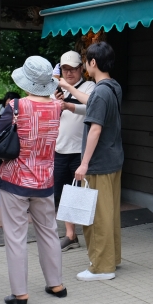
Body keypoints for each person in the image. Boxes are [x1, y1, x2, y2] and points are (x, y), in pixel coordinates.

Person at [0, 56, 67, 304]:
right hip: (45, 179)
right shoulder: (57, 107)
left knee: (16, 236)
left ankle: (20, 293)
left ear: (27, 83)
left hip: (15, 179)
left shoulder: (16, 106)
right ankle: (56, 283)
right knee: (48, 232)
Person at [70, 41, 123, 281]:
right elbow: (89, 101)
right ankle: (112, 259)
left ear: (93, 63)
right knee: (109, 214)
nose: (84, 66)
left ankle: (102, 267)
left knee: (97, 217)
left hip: (99, 163)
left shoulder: (100, 92)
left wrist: (84, 164)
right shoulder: (112, 87)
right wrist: (68, 92)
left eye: (86, 61)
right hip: (113, 160)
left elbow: (95, 130)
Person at [52, 51, 95, 251]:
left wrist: (67, 103)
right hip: (59, 148)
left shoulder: (89, 87)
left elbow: (91, 106)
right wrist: (55, 102)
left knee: (81, 194)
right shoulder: (55, 89)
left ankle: (91, 234)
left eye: (73, 69)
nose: (69, 73)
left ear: (81, 69)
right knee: (62, 195)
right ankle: (71, 235)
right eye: (65, 69)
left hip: (80, 150)